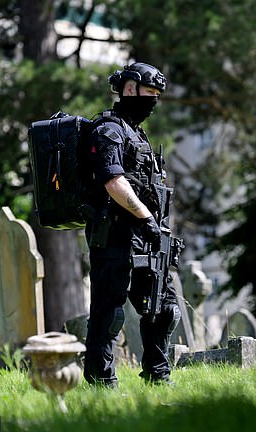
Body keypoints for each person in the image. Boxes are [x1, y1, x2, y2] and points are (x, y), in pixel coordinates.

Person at [83, 62, 181, 387]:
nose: (153, 101)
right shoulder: (108, 130)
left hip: (147, 238)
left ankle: (158, 377)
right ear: (128, 89)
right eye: (148, 93)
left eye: (157, 95)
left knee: (164, 309)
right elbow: (113, 182)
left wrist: (159, 229)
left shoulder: (139, 136)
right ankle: (101, 384)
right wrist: (146, 217)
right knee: (109, 315)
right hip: (114, 236)